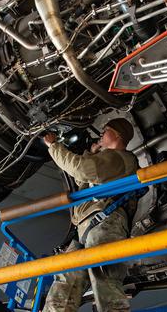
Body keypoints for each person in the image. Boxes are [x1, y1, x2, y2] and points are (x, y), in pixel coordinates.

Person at [41, 118, 139, 312]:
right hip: (88, 227)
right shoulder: (107, 162)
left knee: (104, 281)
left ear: (118, 135)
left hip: (106, 222)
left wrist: (54, 146)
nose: (101, 133)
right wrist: (91, 154)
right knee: (65, 283)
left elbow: (79, 169)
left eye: (106, 129)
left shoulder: (119, 157)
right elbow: (82, 179)